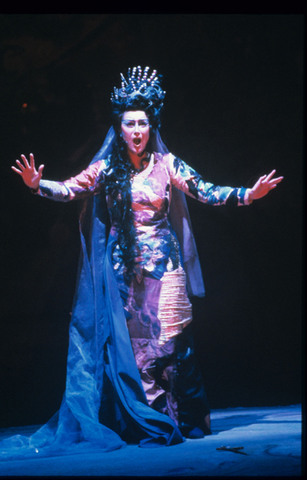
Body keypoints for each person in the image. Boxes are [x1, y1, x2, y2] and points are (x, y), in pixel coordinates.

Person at [5, 66, 283, 457]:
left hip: (164, 269)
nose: (137, 130)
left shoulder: (167, 165)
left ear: (151, 127)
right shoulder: (106, 168)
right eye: (130, 123)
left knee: (170, 343)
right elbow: (70, 189)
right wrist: (38, 186)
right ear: (119, 128)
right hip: (123, 274)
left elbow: (205, 190)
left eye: (143, 123)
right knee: (134, 352)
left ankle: (178, 418)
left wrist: (247, 194)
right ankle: (145, 419)